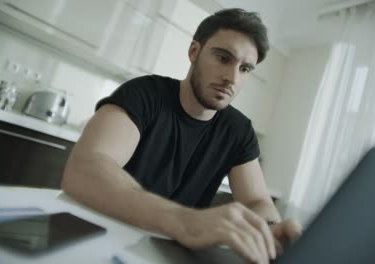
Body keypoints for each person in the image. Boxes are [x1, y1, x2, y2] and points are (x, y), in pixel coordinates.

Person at [62, 8, 302, 263]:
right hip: (98, 238)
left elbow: (256, 200)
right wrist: (185, 222)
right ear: (194, 52)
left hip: (165, 254)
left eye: (244, 68)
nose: (231, 78)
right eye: (223, 58)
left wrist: (267, 229)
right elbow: (87, 168)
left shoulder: (239, 130)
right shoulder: (144, 94)